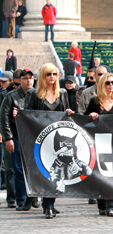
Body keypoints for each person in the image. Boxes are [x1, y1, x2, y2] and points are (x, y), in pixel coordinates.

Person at [24, 63, 73, 219]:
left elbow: (66, 112)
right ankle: (47, 204)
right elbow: (27, 115)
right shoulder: (33, 94)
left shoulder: (62, 93)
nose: (52, 77)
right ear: (43, 76)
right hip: (39, 138)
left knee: (56, 172)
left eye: (54, 74)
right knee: (44, 172)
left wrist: (69, 112)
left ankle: (49, 204)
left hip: (57, 139)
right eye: (48, 74)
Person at [81, 73, 113, 217]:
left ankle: (112, 206)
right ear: (102, 84)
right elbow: (84, 121)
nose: (111, 85)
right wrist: (92, 116)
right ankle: (102, 205)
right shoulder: (95, 101)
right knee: (100, 175)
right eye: (107, 83)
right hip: (98, 144)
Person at [0, 68, 33, 210]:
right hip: (16, 136)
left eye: (31, 78)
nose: (29, 81)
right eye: (25, 78)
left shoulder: (36, 95)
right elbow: (4, 119)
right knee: (16, 169)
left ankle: (33, 198)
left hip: (32, 137)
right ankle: (19, 199)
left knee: (32, 170)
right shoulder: (11, 97)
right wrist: (8, 137)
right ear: (19, 80)